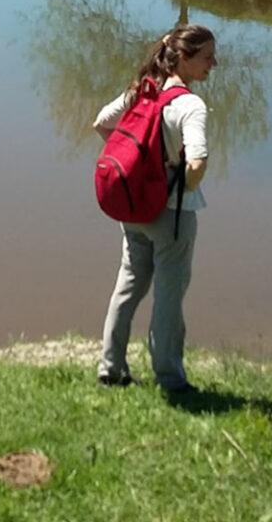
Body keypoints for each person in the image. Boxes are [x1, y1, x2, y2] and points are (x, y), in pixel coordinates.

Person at [94, 23, 216, 393]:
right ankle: (170, 378)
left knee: (128, 286)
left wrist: (137, 166)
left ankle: (110, 368)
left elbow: (101, 124)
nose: (214, 65)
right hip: (170, 216)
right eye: (208, 58)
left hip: (133, 211)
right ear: (185, 58)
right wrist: (176, 188)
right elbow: (197, 160)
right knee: (168, 297)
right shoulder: (189, 104)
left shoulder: (141, 91)